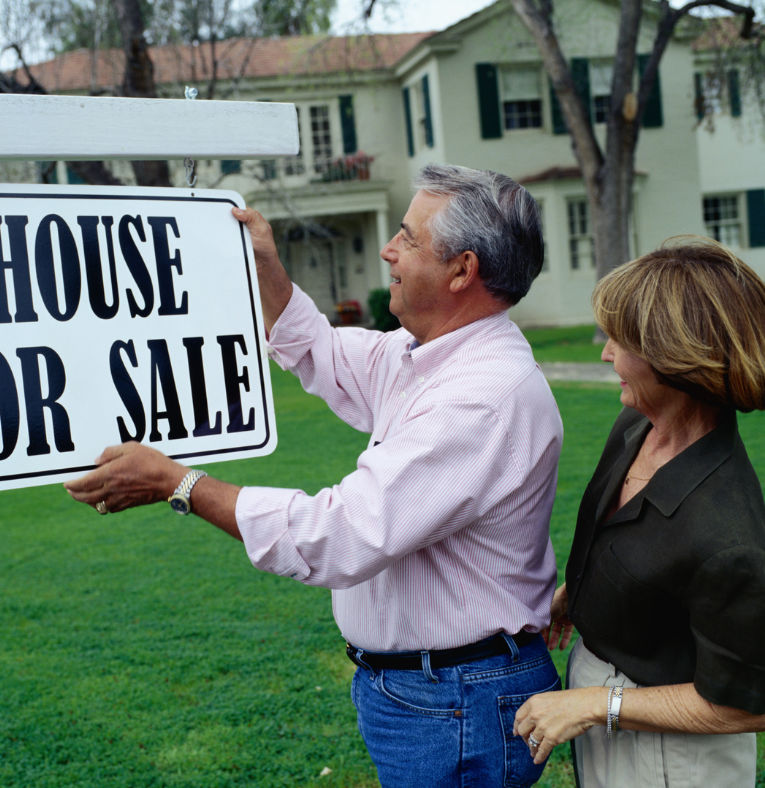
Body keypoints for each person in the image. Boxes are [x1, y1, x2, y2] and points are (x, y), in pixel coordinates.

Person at [65, 164, 564, 787]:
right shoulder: (429, 357)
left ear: (463, 271)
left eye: (408, 239)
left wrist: (179, 485)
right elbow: (326, 355)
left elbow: (338, 535)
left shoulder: (480, 397)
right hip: (438, 690)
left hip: (457, 697)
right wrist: (269, 270)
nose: (389, 250)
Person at [513, 237, 765, 787]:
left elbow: (748, 705)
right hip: (610, 711)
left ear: (676, 357)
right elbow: (635, 550)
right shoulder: (636, 428)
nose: (605, 354)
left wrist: (598, 705)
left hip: (674, 755)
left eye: (621, 341)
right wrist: (582, 599)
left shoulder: (730, 534)